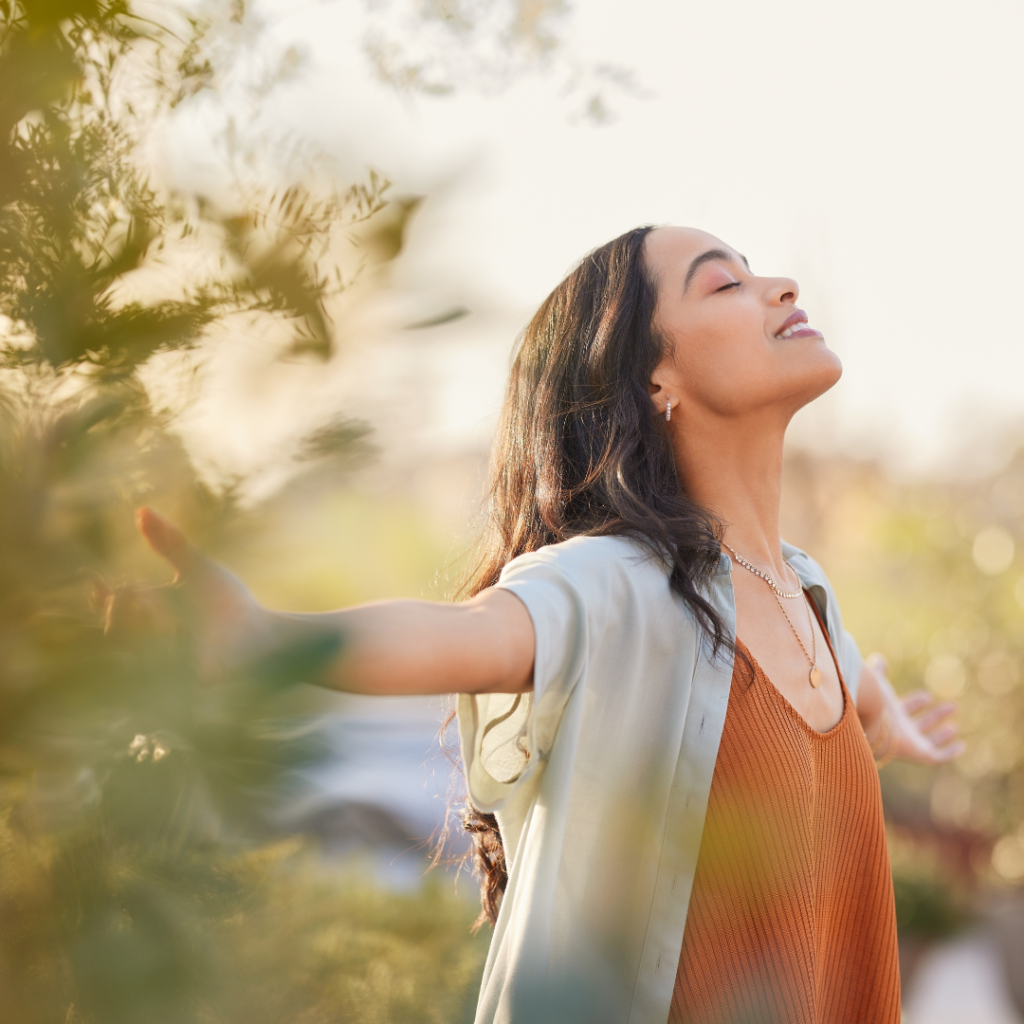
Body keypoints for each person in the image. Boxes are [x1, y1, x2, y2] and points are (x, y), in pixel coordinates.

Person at [126, 226, 963, 1024]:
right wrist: (265, 639)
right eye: (725, 283)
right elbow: (467, 636)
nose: (781, 287)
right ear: (654, 382)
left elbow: (836, 683)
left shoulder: (806, 592)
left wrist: (877, 713)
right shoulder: (616, 584)